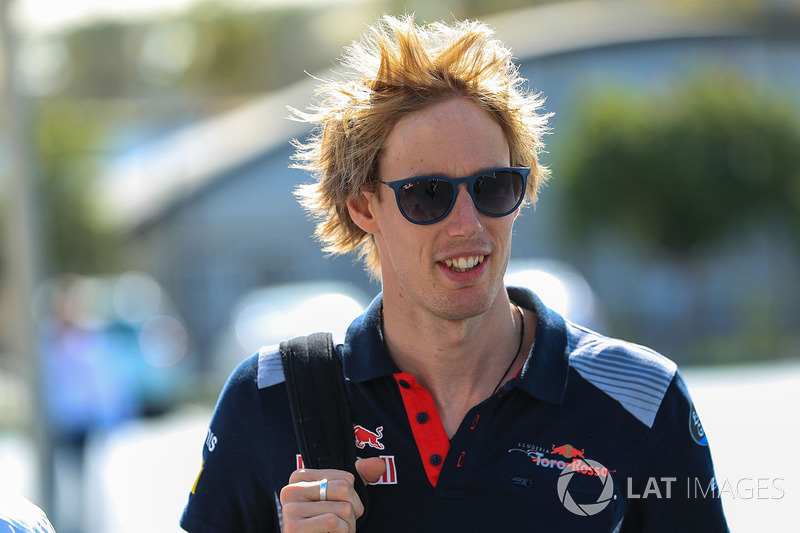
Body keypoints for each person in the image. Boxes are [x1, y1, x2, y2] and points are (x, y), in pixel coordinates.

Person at [181, 15, 728, 532]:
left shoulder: (641, 399)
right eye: (427, 195)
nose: (468, 225)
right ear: (364, 208)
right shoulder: (270, 398)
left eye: (492, 187)